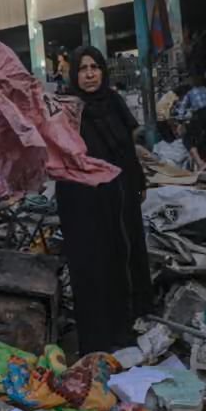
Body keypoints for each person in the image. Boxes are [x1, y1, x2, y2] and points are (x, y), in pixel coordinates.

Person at [56, 46, 153, 354]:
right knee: (92, 266)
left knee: (123, 258)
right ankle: (96, 340)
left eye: (95, 67)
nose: (89, 74)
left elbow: (127, 148)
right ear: (74, 74)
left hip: (120, 197)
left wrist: (138, 181)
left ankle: (124, 330)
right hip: (82, 202)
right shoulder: (66, 109)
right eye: (83, 69)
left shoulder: (114, 102)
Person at [176, 76, 206, 170]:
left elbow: (181, 111)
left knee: (188, 138)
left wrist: (180, 123)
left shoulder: (189, 93)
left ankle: (200, 163)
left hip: (202, 113)